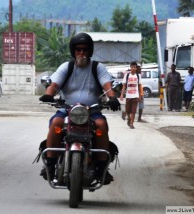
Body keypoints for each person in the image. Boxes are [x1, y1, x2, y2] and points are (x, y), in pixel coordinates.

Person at [39, 32, 120, 184]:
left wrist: (113, 98)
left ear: (89, 51)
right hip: (67, 109)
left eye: (84, 49)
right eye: (78, 50)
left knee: (101, 125)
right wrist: (48, 94)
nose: (81, 53)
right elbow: (54, 84)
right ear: (73, 51)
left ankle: (102, 168)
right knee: (56, 123)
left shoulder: (98, 67)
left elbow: (107, 85)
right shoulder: (66, 67)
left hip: (92, 110)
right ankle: (50, 164)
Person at [119, 61, 142, 129]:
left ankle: (132, 124)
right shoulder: (127, 75)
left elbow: (139, 86)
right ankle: (128, 118)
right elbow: (124, 86)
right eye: (132, 67)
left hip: (135, 96)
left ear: (136, 68)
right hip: (128, 96)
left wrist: (140, 96)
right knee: (128, 111)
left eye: (134, 67)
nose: (133, 68)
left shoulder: (138, 76)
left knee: (133, 111)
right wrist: (122, 95)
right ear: (130, 67)